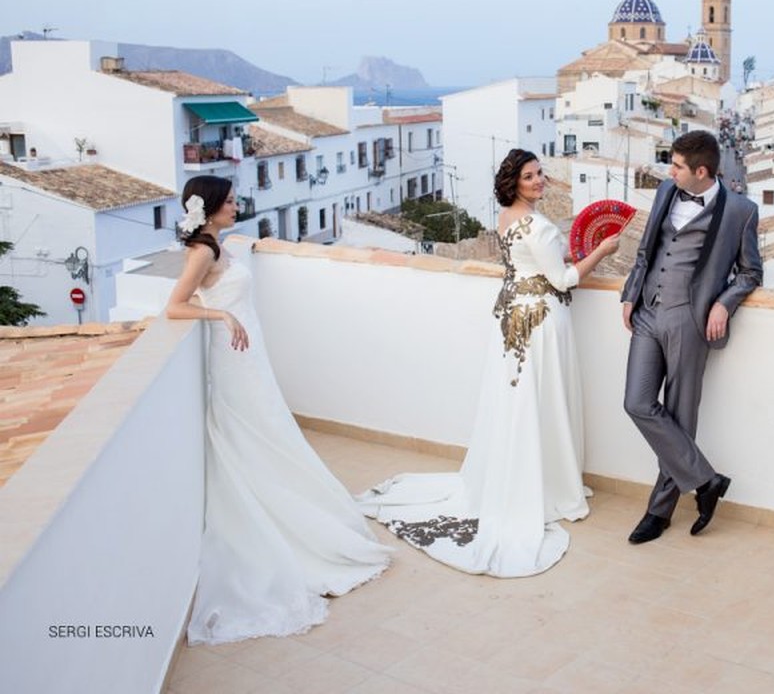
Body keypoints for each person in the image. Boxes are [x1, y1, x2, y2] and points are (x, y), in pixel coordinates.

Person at [358, 149, 620, 577]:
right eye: (530, 176)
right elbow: (565, 279)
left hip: (513, 317)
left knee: (519, 401)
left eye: (540, 174)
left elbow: (532, 264)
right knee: (544, 400)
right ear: (514, 182)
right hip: (541, 322)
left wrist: (566, 254)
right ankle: (550, 485)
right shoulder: (537, 224)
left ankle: (525, 475)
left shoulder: (506, 218)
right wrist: (603, 251)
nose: (539, 180)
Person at [165, 175, 391, 645]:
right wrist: (220, 314)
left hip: (249, 353)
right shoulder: (204, 252)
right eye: (228, 201)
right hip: (230, 356)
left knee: (270, 428)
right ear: (208, 208)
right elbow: (174, 306)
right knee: (253, 431)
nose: (236, 204)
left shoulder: (220, 244)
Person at [620, 130, 762, 544]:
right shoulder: (667, 191)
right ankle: (706, 481)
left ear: (702, 171)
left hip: (691, 319)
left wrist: (723, 303)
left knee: (681, 415)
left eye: (678, 166)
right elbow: (646, 250)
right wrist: (631, 294)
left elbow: (752, 272)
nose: (669, 171)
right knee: (637, 402)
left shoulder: (741, 211)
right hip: (648, 311)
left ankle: (659, 512)